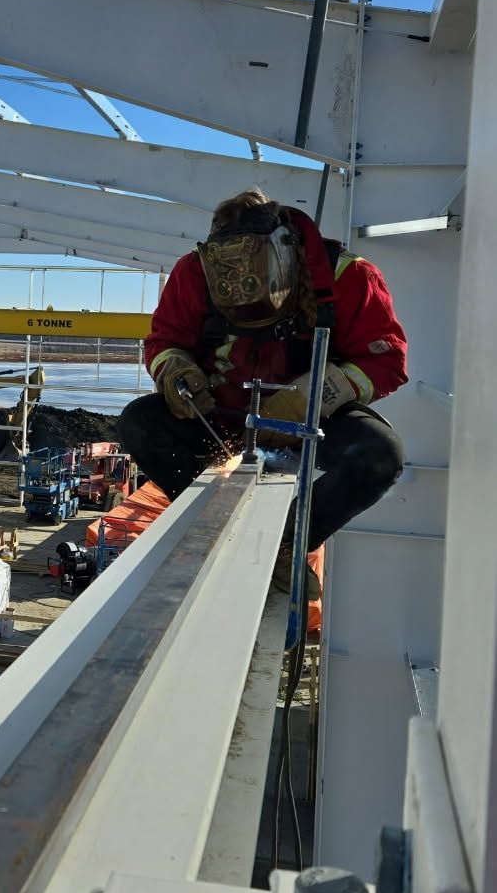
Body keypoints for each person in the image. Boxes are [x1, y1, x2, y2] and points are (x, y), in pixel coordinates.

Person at [118, 189, 407, 595]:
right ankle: (208, 523)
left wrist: (314, 396)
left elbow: (387, 360)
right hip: (220, 413)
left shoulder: (349, 276)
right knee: (139, 423)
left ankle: (288, 543)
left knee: (380, 456)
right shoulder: (195, 272)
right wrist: (176, 372)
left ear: (286, 257)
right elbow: (164, 340)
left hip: (314, 422)